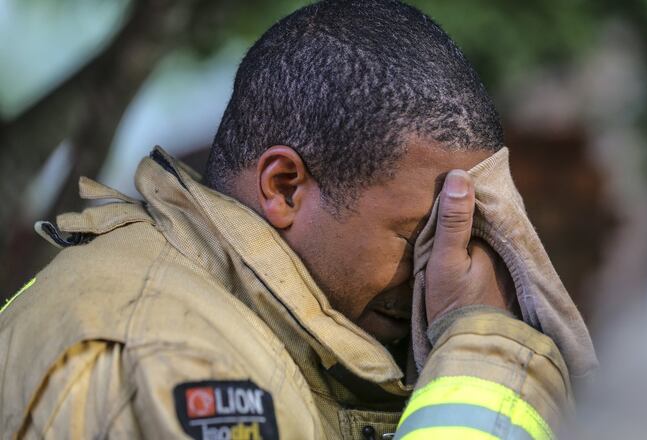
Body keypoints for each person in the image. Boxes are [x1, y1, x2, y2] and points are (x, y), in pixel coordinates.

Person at [0, 1, 572, 438]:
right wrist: (484, 351)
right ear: (284, 187)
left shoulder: (255, 333)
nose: (444, 271)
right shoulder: (171, 361)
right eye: (421, 233)